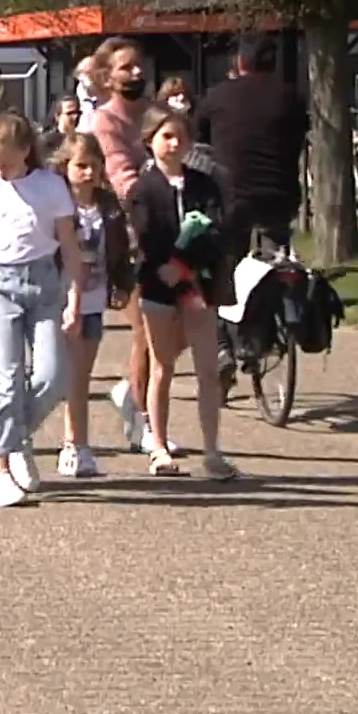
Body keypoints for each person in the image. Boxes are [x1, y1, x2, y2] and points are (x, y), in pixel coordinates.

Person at [0, 112, 84, 506]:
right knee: (3, 377)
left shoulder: (50, 186)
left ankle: (15, 438)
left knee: (52, 374)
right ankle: (0, 470)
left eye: (4, 162)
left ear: (25, 151)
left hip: (43, 281)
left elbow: (69, 246)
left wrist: (74, 295)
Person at [127, 107, 239, 479]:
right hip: (158, 285)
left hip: (196, 284)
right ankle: (158, 446)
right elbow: (147, 234)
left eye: (180, 137)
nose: (175, 144)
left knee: (207, 368)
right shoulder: (144, 189)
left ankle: (213, 450)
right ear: (150, 141)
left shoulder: (203, 184)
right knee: (163, 365)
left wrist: (186, 262)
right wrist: (166, 262)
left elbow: (216, 229)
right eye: (166, 137)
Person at [196, 37, 306, 381]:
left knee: (218, 270)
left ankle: (222, 347)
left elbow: (199, 143)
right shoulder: (291, 96)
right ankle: (271, 322)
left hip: (232, 198)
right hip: (281, 196)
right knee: (275, 255)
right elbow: (299, 138)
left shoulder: (216, 97)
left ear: (239, 64)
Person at [80, 38, 165, 455]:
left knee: (171, 332)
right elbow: (121, 177)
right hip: (127, 235)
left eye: (138, 66)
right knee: (147, 329)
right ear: (107, 77)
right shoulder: (104, 122)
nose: (135, 74)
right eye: (125, 68)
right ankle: (143, 419)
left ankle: (132, 397)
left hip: (168, 230)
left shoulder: (158, 114)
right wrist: (162, 190)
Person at [52, 131, 133, 477]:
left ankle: (78, 445)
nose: (88, 172)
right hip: (61, 300)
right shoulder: (57, 203)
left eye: (94, 166)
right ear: (65, 166)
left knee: (81, 378)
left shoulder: (108, 206)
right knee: (66, 378)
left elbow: (119, 252)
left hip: (96, 298)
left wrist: (122, 284)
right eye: (80, 165)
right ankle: (71, 444)